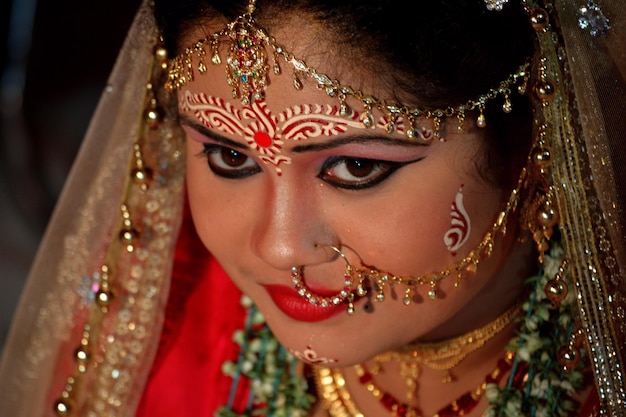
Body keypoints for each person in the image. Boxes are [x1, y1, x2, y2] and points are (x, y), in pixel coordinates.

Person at [0, 0, 624, 416]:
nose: (278, 248)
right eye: (229, 160)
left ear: (537, 135)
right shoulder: (161, 322)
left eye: (355, 168)